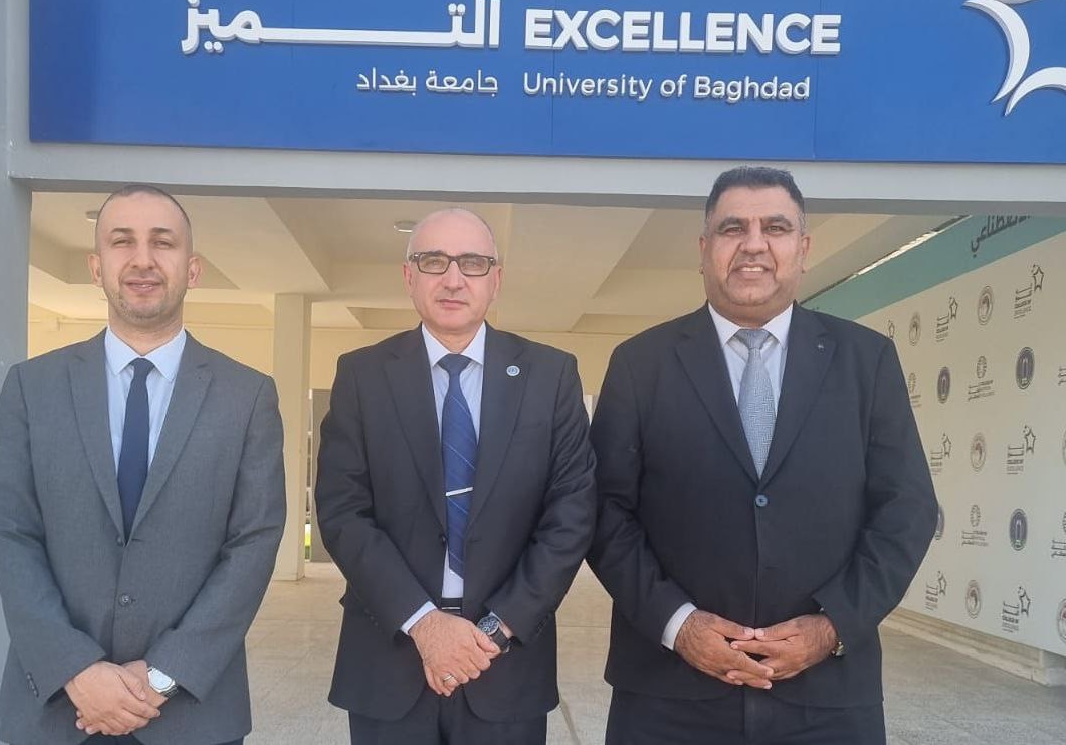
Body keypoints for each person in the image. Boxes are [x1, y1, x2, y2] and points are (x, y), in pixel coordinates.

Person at [588, 166, 936, 745]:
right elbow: (604, 512)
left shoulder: (867, 361)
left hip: (827, 699)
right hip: (668, 696)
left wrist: (832, 625)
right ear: (704, 249)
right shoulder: (639, 365)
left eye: (775, 227)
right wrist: (679, 625)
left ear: (803, 248)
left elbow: (908, 509)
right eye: (733, 229)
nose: (753, 244)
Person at [0, 184, 286, 745]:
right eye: (122, 241)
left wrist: (163, 676)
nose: (142, 259)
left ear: (192, 269)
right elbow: (11, 531)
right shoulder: (32, 388)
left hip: (191, 714)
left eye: (162, 243)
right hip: (56, 711)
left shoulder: (247, 397)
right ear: (96, 267)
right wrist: (75, 669)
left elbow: (254, 543)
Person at [316, 207, 596, 744]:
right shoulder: (362, 375)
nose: (452, 278)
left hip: (505, 662)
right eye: (433, 261)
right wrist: (424, 623)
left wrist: (494, 630)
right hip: (389, 656)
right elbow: (342, 511)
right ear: (408, 276)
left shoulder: (551, 375)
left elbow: (572, 514)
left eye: (472, 262)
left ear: (496, 279)